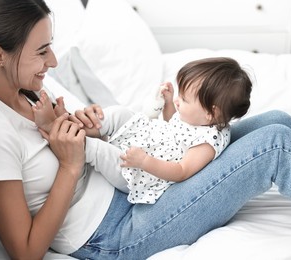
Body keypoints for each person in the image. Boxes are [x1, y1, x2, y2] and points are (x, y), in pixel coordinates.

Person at [0, 0, 291, 259]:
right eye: (42, 52)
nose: (52, 62)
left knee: (275, 121)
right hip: (118, 232)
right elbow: (25, 251)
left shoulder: (28, 85)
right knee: (275, 146)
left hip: (133, 184)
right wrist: (71, 165)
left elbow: (73, 146)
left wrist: (89, 129)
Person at [32, 57, 252, 204]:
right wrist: (167, 104)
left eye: (184, 99)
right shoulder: (200, 119)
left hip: (141, 173)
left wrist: (144, 162)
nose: (178, 100)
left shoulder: (207, 143)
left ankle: (59, 131)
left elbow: (181, 171)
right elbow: (173, 125)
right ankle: (75, 123)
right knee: (120, 113)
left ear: (210, 114)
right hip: (148, 142)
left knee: (101, 151)